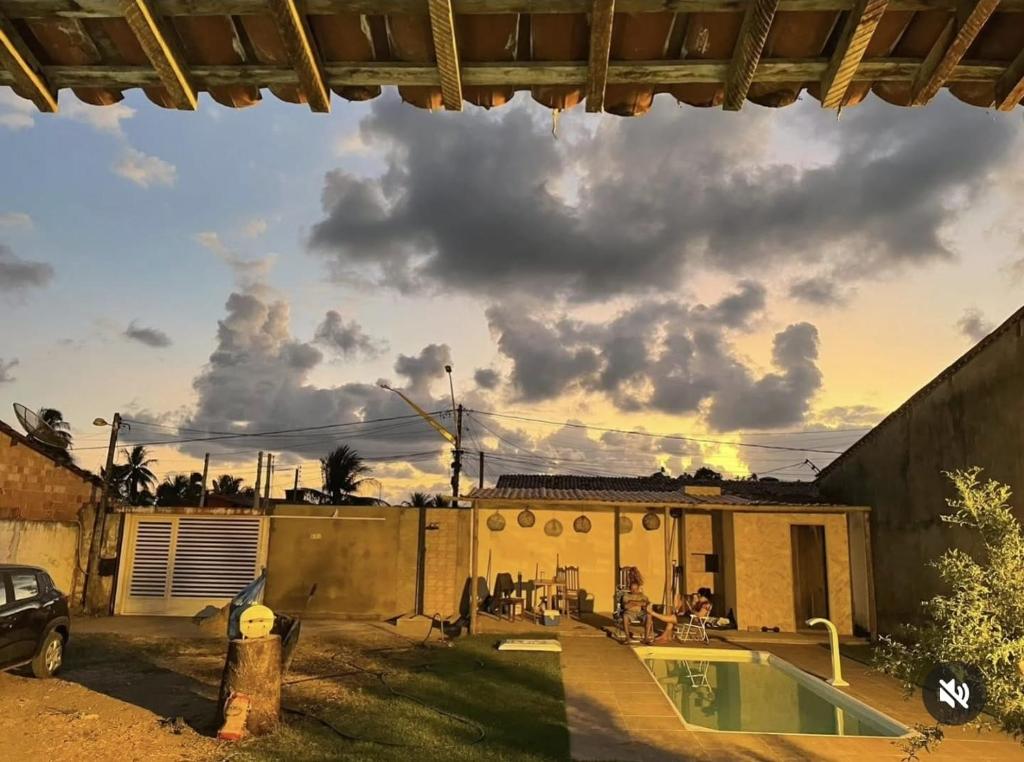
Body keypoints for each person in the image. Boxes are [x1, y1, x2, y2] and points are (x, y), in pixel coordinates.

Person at [645, 587, 712, 644]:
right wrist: (687, 611)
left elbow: (700, 615)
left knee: (670, 618)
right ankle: (664, 636)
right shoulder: (701, 603)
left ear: (702, 596)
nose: (698, 596)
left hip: (694, 621)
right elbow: (693, 611)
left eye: (699, 595)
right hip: (690, 618)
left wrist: (692, 610)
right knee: (671, 619)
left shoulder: (706, 605)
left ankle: (652, 613)